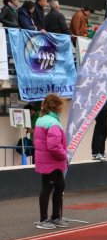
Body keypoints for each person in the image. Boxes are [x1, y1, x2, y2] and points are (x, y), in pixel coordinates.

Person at [34, 94, 69, 230]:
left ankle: (55, 217)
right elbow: (54, 146)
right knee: (48, 188)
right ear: (56, 106)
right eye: (60, 106)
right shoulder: (53, 123)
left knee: (59, 186)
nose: (62, 108)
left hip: (48, 160)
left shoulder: (41, 119)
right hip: (52, 161)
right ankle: (44, 219)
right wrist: (63, 156)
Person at [91, 96, 107, 161]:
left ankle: (101, 152)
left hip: (105, 108)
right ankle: (96, 153)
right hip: (100, 108)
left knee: (104, 131)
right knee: (99, 131)